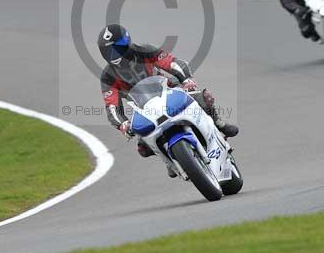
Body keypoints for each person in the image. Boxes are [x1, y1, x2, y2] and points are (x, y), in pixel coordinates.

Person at [98, 24, 239, 177]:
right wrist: (122, 124)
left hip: (168, 89)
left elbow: (171, 62)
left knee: (203, 97)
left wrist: (186, 79)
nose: (116, 53)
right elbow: (112, 106)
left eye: (119, 47)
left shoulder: (144, 50)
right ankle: (169, 158)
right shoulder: (108, 76)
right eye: (111, 51)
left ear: (128, 42)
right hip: (144, 108)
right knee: (143, 148)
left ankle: (219, 124)